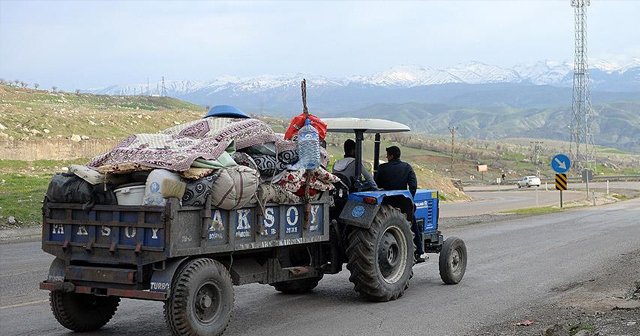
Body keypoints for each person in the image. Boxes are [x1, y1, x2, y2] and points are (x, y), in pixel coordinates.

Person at [375, 146, 425, 263]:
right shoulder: (407, 167)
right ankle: (420, 251)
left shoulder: (382, 168)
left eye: (387, 154)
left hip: (385, 204)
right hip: (403, 205)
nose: (386, 157)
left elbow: (376, 185)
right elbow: (413, 186)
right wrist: (409, 199)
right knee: (413, 225)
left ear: (391, 156)